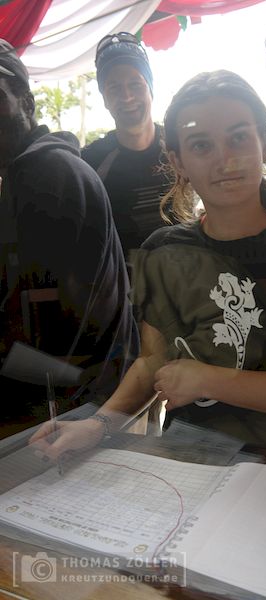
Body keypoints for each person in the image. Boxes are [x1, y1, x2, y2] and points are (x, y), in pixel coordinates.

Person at [31, 69, 266, 461]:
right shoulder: (163, 251)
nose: (225, 159)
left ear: (264, 142)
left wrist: (209, 379)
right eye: (201, 145)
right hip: (187, 463)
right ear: (178, 161)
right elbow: (153, 361)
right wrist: (98, 424)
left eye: (238, 137)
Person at [0, 39, 135, 430]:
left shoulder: (44, 174)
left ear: (27, 103)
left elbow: (36, 323)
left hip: (66, 409)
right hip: (77, 397)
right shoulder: (35, 170)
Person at [81, 32, 172, 259]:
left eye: (135, 84)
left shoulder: (181, 146)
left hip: (187, 274)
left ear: (150, 89)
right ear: (104, 98)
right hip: (123, 279)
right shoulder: (90, 162)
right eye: (114, 88)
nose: (127, 96)